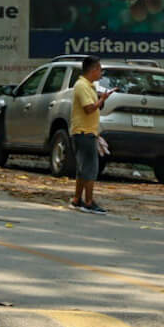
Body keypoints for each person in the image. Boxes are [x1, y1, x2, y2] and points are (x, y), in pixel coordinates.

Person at [70, 54, 110, 214]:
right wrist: (101, 100)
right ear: (93, 70)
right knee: (91, 168)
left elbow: (95, 107)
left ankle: (76, 199)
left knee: (82, 168)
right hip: (83, 132)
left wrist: (101, 99)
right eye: (99, 69)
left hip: (87, 131)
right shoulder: (82, 85)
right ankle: (88, 201)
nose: (100, 73)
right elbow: (89, 109)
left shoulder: (89, 86)